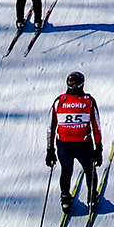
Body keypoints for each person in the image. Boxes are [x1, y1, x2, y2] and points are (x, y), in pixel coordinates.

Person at [46, 71, 103, 216]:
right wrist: (99, 149)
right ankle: (92, 198)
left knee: (66, 170)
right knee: (90, 170)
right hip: (83, 144)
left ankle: (65, 199)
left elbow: (51, 127)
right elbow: (96, 126)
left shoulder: (59, 101)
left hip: (64, 144)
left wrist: (50, 150)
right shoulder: (88, 101)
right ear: (82, 85)